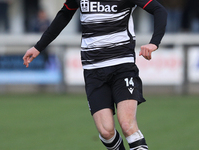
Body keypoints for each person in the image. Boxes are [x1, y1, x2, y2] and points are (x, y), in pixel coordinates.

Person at [23, 0, 167, 149]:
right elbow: (64, 15)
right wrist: (39, 47)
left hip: (122, 66)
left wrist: (154, 42)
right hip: (93, 70)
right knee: (106, 131)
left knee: (127, 124)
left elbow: (159, 9)